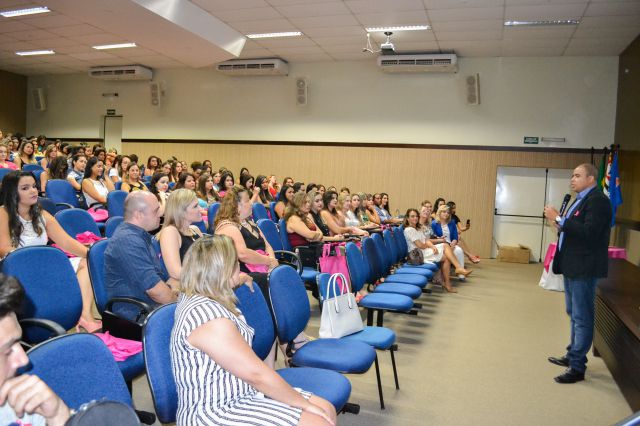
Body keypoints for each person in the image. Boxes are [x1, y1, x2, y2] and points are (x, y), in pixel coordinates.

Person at [171, 236, 336, 426]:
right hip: (216, 411)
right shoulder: (209, 320)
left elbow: (251, 375)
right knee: (318, 420)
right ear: (222, 271)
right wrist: (304, 405)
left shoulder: (204, 292)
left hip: (242, 389)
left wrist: (244, 278)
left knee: (326, 408)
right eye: (235, 263)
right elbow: (256, 375)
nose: (239, 267)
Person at [0, 171, 102, 332]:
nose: (33, 191)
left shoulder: (41, 213)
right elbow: (4, 248)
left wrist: (93, 256)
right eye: (25, 188)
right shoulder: (3, 213)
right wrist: (36, 262)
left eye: (34, 186)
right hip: (16, 269)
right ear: (12, 192)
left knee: (85, 262)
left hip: (44, 264)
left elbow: (66, 241)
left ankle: (85, 315)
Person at [544, 163, 612, 384]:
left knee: (582, 317)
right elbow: (575, 230)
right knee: (573, 313)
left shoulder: (598, 201)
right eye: (572, 175)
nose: (572, 179)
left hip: (584, 267)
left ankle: (577, 366)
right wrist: (560, 225)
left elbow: (590, 233)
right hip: (573, 265)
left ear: (591, 178)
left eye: (577, 175)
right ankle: (572, 353)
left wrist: (559, 219)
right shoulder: (580, 199)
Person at [0, 276, 71, 426]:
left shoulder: (17, 402)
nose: (24, 360)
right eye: (7, 351)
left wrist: (59, 416)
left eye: (18, 343)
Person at [105, 191, 178, 322]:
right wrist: (180, 304)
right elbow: (156, 292)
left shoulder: (141, 236)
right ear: (138, 214)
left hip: (151, 306)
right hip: (137, 314)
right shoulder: (128, 241)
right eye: (156, 211)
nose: (160, 215)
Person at [404, 208, 471, 293]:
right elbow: (420, 245)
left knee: (446, 257)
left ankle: (448, 282)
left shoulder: (418, 228)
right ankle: (457, 269)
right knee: (445, 245)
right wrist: (431, 247)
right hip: (417, 255)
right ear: (407, 218)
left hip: (423, 251)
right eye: (412, 216)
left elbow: (426, 241)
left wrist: (432, 246)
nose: (415, 218)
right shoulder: (409, 230)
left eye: (416, 216)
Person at [158, 189, 204, 284]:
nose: (201, 209)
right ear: (181, 211)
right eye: (195, 206)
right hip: (190, 285)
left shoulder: (195, 229)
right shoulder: (170, 232)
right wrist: (210, 276)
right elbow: (175, 272)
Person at [431, 204, 467, 280]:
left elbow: (455, 236)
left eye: (448, 212)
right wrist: (438, 238)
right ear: (439, 212)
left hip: (451, 244)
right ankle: (443, 275)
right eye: (444, 212)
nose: (446, 214)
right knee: (447, 253)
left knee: (459, 250)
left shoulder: (452, 222)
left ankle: (461, 274)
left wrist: (454, 242)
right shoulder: (434, 223)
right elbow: (432, 237)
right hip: (440, 245)